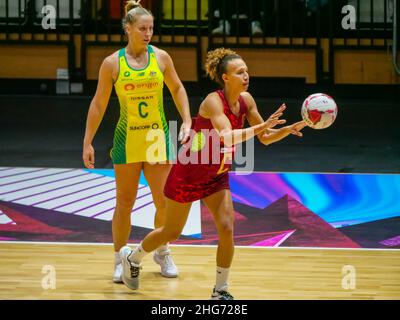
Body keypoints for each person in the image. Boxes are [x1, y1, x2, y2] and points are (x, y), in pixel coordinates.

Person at [118, 48, 306, 299]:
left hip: (216, 176)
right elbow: (227, 136)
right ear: (226, 77)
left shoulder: (246, 101)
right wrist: (262, 125)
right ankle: (133, 257)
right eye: (240, 72)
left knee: (227, 227)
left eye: (247, 71)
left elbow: (266, 138)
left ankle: (220, 290)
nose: (246, 75)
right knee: (170, 232)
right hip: (188, 175)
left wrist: (291, 127)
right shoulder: (212, 101)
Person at [82, 0, 192, 283]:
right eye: (142, 28)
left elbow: (178, 88)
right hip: (126, 139)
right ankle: (120, 257)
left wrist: (187, 120)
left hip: (157, 138)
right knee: (125, 202)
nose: (148, 33)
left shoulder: (162, 58)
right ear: (127, 29)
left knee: (163, 202)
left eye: (151, 28)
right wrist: (88, 141)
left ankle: (162, 250)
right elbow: (98, 104)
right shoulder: (112, 63)